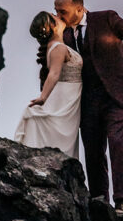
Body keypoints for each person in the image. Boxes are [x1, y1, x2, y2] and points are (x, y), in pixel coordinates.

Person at [54, 0, 123, 215]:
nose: (58, 15)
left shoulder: (106, 18)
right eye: (56, 11)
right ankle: (100, 199)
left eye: (62, 11)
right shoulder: (61, 33)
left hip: (118, 93)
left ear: (79, 9)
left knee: (117, 143)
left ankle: (122, 202)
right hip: (86, 99)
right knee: (92, 148)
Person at [14, 11, 83, 158]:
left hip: (69, 96)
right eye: (55, 17)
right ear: (52, 25)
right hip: (64, 97)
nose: (59, 17)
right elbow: (54, 73)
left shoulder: (56, 46)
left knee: (64, 136)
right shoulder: (58, 48)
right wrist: (43, 97)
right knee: (60, 136)